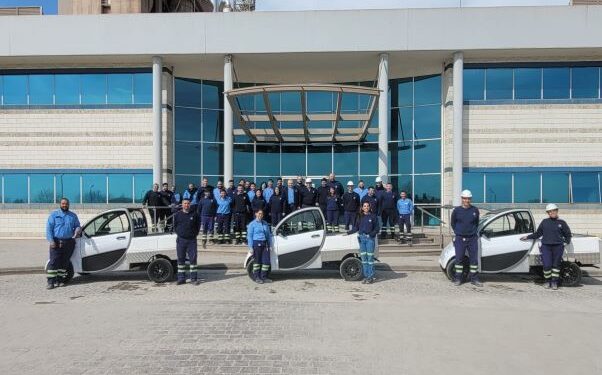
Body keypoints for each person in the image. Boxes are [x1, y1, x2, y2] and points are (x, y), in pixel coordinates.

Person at [521, 204, 572, 290]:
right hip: (546, 247)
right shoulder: (544, 222)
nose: (552, 212)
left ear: (557, 211)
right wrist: (528, 237)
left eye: (554, 210)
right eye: (550, 211)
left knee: (556, 265)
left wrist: (566, 242)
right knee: (547, 265)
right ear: (548, 213)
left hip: (558, 247)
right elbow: (538, 234)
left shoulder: (562, 223)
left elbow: (568, 234)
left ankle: (554, 282)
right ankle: (547, 281)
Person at [45, 198, 81, 289]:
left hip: (69, 242)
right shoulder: (54, 215)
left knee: (65, 262)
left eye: (66, 204)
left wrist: (77, 229)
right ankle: (50, 282)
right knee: (53, 262)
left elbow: (77, 225)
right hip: (56, 242)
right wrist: (51, 240)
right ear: (60, 204)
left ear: (69, 204)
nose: (65, 205)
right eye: (63, 203)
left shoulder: (73, 216)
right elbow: (49, 229)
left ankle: (60, 280)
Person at [450, 190, 482, 287]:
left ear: (470, 199)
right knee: (459, 259)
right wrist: (458, 232)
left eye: (468, 198)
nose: (466, 200)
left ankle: (474, 279)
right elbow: (453, 223)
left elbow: (476, 223)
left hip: (472, 238)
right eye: (465, 198)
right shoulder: (456, 211)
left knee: (474, 260)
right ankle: (458, 279)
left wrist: (471, 232)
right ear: (461, 199)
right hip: (460, 238)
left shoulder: (475, 210)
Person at [347, 202, 379, 284]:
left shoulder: (373, 216)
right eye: (364, 206)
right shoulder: (359, 216)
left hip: (369, 239)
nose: (366, 207)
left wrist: (371, 235)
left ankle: (370, 277)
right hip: (361, 239)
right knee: (364, 259)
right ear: (362, 208)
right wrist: (348, 233)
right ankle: (366, 276)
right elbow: (356, 227)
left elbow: (377, 228)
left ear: (370, 207)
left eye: (367, 206)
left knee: (370, 259)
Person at [173, 198, 200, 285]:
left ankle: (193, 279)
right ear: (182, 204)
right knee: (181, 259)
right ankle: (181, 278)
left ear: (190, 204)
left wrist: (194, 234)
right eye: (185, 203)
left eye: (188, 203)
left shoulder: (195, 214)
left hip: (192, 240)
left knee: (193, 259)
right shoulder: (177, 215)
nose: (186, 205)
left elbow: (198, 226)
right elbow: (175, 226)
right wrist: (180, 234)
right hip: (181, 240)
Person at [247, 209, 273, 284]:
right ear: (255, 214)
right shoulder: (252, 224)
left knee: (266, 262)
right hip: (256, 243)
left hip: (264, 244)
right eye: (259, 213)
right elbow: (249, 236)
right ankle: (257, 277)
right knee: (257, 262)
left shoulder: (265, 223)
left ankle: (264, 277)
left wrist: (270, 245)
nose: (260, 215)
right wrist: (251, 247)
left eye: (261, 214)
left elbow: (268, 235)